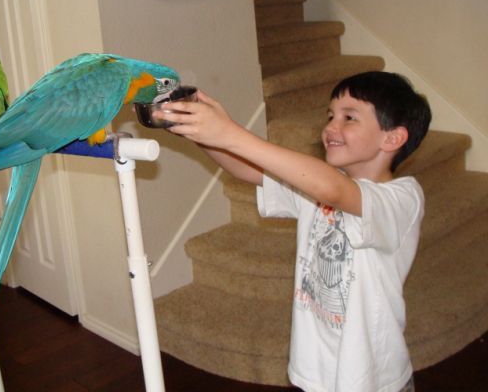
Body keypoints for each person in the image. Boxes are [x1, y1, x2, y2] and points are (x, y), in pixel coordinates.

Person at [153, 71, 431, 392]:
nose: (330, 127)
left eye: (349, 117)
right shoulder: (316, 185)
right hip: (314, 371)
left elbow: (333, 190)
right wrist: (202, 134)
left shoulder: (401, 200)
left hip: (374, 379)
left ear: (393, 138)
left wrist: (229, 133)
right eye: (330, 115)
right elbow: (248, 168)